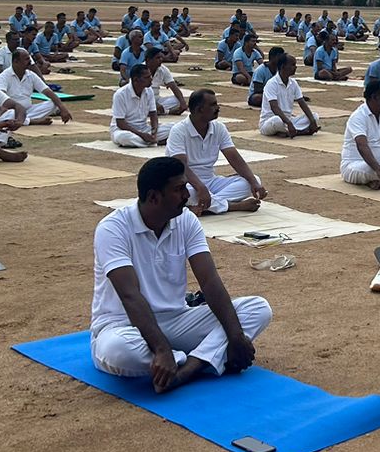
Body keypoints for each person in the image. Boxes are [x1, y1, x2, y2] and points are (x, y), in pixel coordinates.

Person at [90, 155, 271, 391]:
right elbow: (130, 296)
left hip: (176, 318)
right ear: (154, 197)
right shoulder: (112, 229)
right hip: (124, 325)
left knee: (257, 309)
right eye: (178, 189)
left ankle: (187, 369)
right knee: (119, 351)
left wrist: (236, 336)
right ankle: (203, 356)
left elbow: (209, 280)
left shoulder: (186, 221)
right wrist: (162, 350)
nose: (187, 195)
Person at [167, 89, 269, 213]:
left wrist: (253, 183)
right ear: (199, 109)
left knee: (253, 180)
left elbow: (233, 157)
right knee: (185, 194)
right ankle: (233, 206)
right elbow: (180, 166)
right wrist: (200, 187)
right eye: (213, 105)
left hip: (211, 181)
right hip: (187, 183)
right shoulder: (178, 130)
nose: (217, 108)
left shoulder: (219, 128)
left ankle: (203, 206)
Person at [0, 48, 74, 125]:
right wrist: (5, 112)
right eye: (26, 59)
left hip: (28, 110)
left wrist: (62, 108)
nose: (30, 61)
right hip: (12, 111)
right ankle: (33, 121)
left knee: (53, 103)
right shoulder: (4, 76)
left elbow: (47, 91)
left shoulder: (31, 75)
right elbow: (1, 98)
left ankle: (25, 120)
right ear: (16, 61)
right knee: (8, 114)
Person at [110, 65, 174, 149]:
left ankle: (149, 141)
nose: (151, 79)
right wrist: (142, 135)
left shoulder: (149, 90)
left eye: (150, 76)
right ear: (136, 79)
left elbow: (153, 114)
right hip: (125, 131)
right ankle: (155, 143)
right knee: (124, 138)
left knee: (175, 127)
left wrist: (154, 132)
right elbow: (120, 123)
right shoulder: (120, 94)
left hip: (145, 128)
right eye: (147, 77)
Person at [258, 52, 320, 136]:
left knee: (314, 116)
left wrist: (312, 121)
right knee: (277, 120)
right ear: (283, 66)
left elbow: (302, 103)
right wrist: (288, 123)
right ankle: (298, 131)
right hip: (270, 121)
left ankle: (287, 132)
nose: (295, 67)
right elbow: (274, 107)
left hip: (289, 120)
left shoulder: (293, 83)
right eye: (292, 65)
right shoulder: (271, 83)